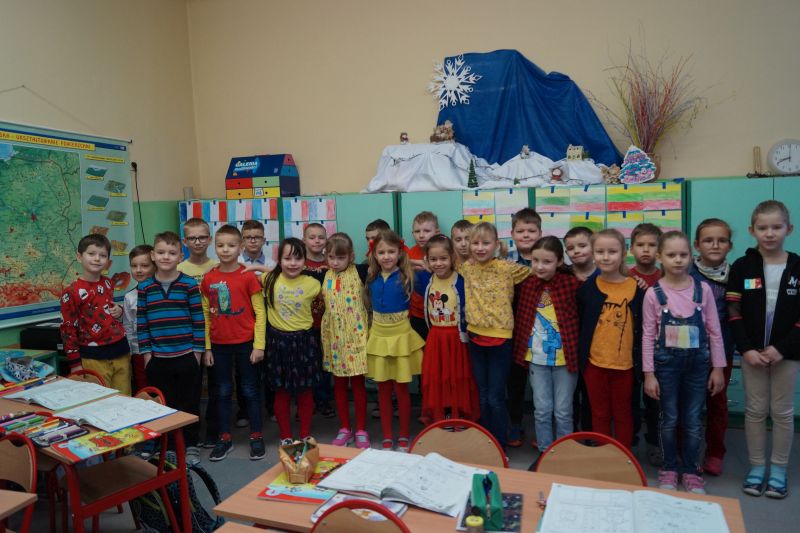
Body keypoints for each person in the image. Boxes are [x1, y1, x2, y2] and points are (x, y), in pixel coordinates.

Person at [643, 231, 726, 494]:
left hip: (697, 367)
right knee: (669, 418)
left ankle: (690, 470)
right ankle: (669, 468)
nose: (678, 260)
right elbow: (647, 335)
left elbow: (714, 331)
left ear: (691, 256)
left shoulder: (703, 290)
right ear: (660, 257)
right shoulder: (653, 294)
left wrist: (718, 368)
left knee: (692, 419)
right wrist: (649, 374)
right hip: (666, 366)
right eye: (671, 255)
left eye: (683, 254)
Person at [728, 200, 800, 499]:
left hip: (788, 354)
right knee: (755, 410)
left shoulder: (798, 266)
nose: (770, 233)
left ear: (789, 229)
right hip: (752, 354)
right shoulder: (742, 266)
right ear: (752, 230)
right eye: (763, 228)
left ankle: (779, 470)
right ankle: (757, 467)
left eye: (776, 227)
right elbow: (733, 311)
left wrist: (782, 349)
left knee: (782, 412)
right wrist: (746, 349)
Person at [459, 222, 531, 448]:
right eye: (475, 243)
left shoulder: (507, 267)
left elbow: (537, 271)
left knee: (495, 396)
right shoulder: (466, 267)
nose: (480, 248)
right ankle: (485, 441)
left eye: (486, 243)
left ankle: (499, 444)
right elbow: (440, 258)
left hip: (500, 339)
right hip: (475, 337)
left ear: (496, 245)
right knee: (482, 394)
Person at [137, 231, 204, 462]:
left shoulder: (189, 284)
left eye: (172, 253)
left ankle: (191, 443)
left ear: (180, 256)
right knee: (165, 404)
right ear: (153, 255)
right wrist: (147, 355)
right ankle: (170, 445)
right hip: (157, 358)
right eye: (161, 252)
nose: (166, 257)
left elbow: (198, 319)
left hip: (187, 355)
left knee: (189, 401)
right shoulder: (145, 287)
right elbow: (142, 323)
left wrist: (197, 353)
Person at [201, 225, 266, 461]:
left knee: (250, 390)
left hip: (246, 344)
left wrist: (259, 345)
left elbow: (260, 312)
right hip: (219, 346)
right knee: (222, 391)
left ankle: (256, 435)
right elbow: (207, 314)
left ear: (240, 247)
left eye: (231, 245)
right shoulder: (209, 278)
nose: (225, 249)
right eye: (220, 245)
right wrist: (207, 347)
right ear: (214, 247)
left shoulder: (247, 276)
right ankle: (224, 437)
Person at [513, 237, 581, 455]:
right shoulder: (527, 285)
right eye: (535, 261)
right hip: (537, 358)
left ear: (559, 262)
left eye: (547, 262)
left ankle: (564, 452)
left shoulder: (571, 285)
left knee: (563, 410)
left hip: (565, 359)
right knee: (542, 409)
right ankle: (545, 451)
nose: (540, 266)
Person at [577, 229, 644, 449]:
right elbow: (581, 323)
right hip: (594, 364)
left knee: (623, 413)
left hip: (625, 366)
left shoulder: (636, 288)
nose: (606, 257)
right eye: (600, 252)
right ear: (593, 254)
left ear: (624, 253)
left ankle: (623, 456)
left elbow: (644, 328)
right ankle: (603, 455)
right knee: (599, 413)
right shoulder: (587, 288)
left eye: (612, 252)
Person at [365, 230, 425, 452]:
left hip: (401, 337)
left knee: (401, 390)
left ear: (400, 253)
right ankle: (387, 435)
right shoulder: (371, 276)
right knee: (383, 390)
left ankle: (403, 436)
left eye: (391, 251)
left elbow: (435, 274)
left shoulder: (407, 276)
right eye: (381, 252)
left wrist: (415, 262)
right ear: (374, 254)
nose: (387, 256)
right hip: (379, 337)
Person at [262, 238, 323, 444]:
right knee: (282, 393)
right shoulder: (268, 279)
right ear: (279, 260)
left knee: (306, 392)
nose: (293, 263)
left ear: (305, 261)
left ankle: (305, 433)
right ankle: (285, 436)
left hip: (304, 342)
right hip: (278, 343)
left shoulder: (313, 283)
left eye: (298, 258)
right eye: (287, 258)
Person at [691, 218, 736, 476]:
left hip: (722, 352)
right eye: (708, 240)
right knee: (689, 405)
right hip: (689, 354)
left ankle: (715, 452)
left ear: (730, 245)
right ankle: (686, 452)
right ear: (697, 245)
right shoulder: (686, 272)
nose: (715, 245)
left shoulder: (737, 275)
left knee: (717, 404)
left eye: (722, 240)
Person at [420, 235, 479, 422]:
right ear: (427, 260)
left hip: (456, 338)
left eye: (443, 258)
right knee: (438, 377)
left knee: (456, 376)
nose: (438, 263)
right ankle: (443, 411)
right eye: (433, 259)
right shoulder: (427, 280)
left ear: (452, 257)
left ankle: (459, 411)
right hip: (436, 337)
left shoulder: (461, 280)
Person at [60, 233, 129, 391]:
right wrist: (75, 364)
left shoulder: (108, 283)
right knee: (100, 399)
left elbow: (107, 310)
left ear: (108, 261)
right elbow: (68, 329)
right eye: (91, 254)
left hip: (121, 351)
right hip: (93, 357)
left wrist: (119, 310)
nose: (97, 259)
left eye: (102, 255)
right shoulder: (71, 292)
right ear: (79, 257)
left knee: (125, 397)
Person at [321, 233, 371, 448]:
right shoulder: (324, 275)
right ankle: (344, 428)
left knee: (358, 385)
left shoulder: (361, 271)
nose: (335, 262)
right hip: (334, 339)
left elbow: (388, 264)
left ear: (351, 256)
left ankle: (361, 429)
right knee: (339, 385)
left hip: (356, 338)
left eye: (340, 257)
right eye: (331, 257)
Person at [177, 218, 222, 447]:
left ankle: (214, 431)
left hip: (216, 335)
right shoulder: (178, 269)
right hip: (189, 336)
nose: (197, 242)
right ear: (184, 241)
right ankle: (191, 435)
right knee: (191, 388)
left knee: (217, 386)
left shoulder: (218, 266)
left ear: (209, 239)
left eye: (202, 237)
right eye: (192, 238)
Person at [507, 208, 542, 447]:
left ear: (540, 233)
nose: (526, 235)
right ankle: (515, 424)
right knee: (515, 382)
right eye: (521, 231)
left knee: (543, 387)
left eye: (531, 231)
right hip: (514, 329)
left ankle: (543, 429)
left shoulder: (548, 258)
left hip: (542, 329)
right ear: (512, 234)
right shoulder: (506, 261)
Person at [629, 222, 663, 464]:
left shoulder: (665, 276)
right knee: (630, 400)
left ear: (660, 250)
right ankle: (630, 441)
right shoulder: (625, 276)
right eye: (640, 245)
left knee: (655, 401)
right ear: (631, 249)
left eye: (652, 245)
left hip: (658, 349)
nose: (646, 250)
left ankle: (654, 442)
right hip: (630, 348)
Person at [563, 226, 596, 432]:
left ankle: (590, 432)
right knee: (570, 393)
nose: (576, 251)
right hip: (569, 344)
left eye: (582, 246)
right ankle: (572, 432)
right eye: (570, 248)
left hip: (594, 345)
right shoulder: (563, 275)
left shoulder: (604, 274)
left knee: (591, 392)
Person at [304, 223, 335, 419]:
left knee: (325, 364)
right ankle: (307, 402)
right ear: (304, 240)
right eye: (312, 237)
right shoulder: (298, 264)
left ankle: (323, 400)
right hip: (305, 324)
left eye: (321, 237)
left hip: (328, 324)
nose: (317, 241)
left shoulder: (332, 263)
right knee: (307, 363)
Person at [123, 244, 155, 392]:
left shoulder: (161, 292)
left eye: (145, 265)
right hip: (139, 353)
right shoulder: (129, 297)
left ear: (155, 265)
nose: (138, 270)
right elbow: (128, 326)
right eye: (134, 266)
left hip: (161, 351)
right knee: (144, 389)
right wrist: (131, 353)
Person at [408, 211, 440, 340]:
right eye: (417, 231)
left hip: (438, 312)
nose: (421, 235)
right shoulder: (411, 252)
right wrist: (411, 264)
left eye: (426, 231)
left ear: (436, 233)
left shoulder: (441, 251)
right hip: (417, 313)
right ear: (412, 233)